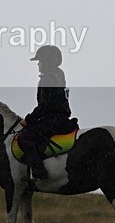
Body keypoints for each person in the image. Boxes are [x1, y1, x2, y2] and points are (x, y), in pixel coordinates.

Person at [18, 45, 78, 180]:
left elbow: (44, 106)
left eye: (40, 61)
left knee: (25, 136)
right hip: (62, 118)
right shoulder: (59, 74)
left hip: (54, 119)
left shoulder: (47, 79)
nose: (38, 64)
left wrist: (28, 119)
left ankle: (38, 172)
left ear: (47, 62)